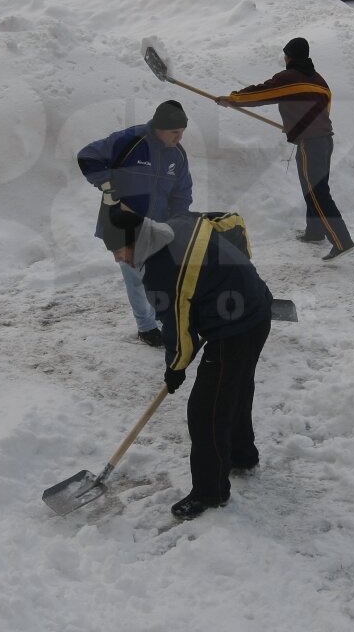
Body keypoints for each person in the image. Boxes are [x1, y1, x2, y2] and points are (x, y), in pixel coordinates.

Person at [109, 208, 273, 521]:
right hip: (259, 307)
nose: (118, 258)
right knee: (236, 387)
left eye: (119, 251)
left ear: (135, 242)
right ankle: (242, 455)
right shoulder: (178, 222)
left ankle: (211, 492)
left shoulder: (161, 272)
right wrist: (240, 268)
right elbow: (232, 221)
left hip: (234, 329)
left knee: (205, 411)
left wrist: (175, 369)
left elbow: (180, 332)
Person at [222, 37, 354, 261]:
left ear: (289, 56)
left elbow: (262, 93)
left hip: (310, 144)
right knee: (314, 188)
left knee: (317, 192)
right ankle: (315, 232)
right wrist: (298, 124)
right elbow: (324, 110)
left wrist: (233, 99)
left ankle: (342, 241)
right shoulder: (320, 81)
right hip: (325, 141)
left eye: (285, 54)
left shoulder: (288, 78)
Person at [77, 100, 193, 347]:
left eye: (183, 131)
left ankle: (163, 317)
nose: (180, 137)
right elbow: (87, 156)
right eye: (175, 132)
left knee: (163, 274)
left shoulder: (177, 155)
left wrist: (178, 222)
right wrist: (108, 186)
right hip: (124, 224)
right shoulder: (129, 141)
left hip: (158, 227)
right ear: (160, 128)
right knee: (137, 277)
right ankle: (147, 327)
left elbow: (182, 193)